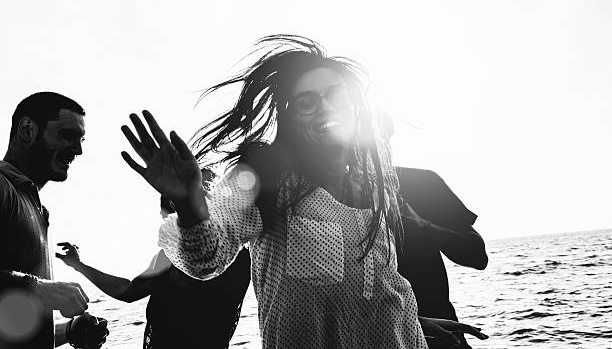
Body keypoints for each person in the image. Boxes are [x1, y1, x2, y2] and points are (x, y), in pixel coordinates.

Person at [119, 35, 487, 348]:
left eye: (335, 96)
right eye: (306, 102)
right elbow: (207, 258)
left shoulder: (376, 186)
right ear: (290, 116)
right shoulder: (266, 178)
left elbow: (371, 287)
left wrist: (413, 320)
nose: (324, 107)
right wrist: (187, 202)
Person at [56, 168, 251, 349]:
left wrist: (78, 265)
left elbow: (127, 292)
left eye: (166, 218)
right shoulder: (242, 255)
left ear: (178, 213)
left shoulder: (174, 256)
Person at [0, 92, 108, 348]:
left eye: (81, 140)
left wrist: (68, 332)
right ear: (27, 129)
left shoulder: (37, 208)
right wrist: (35, 288)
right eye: (67, 135)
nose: (79, 150)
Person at [395, 166, 488, 348]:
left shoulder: (419, 183)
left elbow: (477, 255)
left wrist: (422, 227)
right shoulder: (328, 187)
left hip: (443, 339)